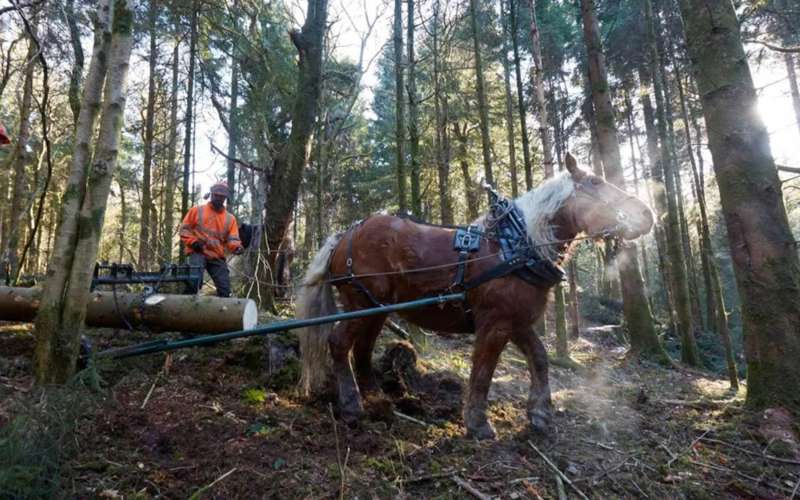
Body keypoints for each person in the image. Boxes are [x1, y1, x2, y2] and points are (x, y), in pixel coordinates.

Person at [179, 182, 243, 297]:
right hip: (198, 251)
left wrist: (236, 247)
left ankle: (223, 311)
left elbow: (232, 239)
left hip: (216, 255)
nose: (219, 198)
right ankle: (185, 307)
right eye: (216, 195)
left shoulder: (230, 219)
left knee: (225, 289)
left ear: (225, 198)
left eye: (221, 196)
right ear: (211, 194)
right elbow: (184, 230)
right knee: (194, 282)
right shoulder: (197, 211)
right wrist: (193, 242)